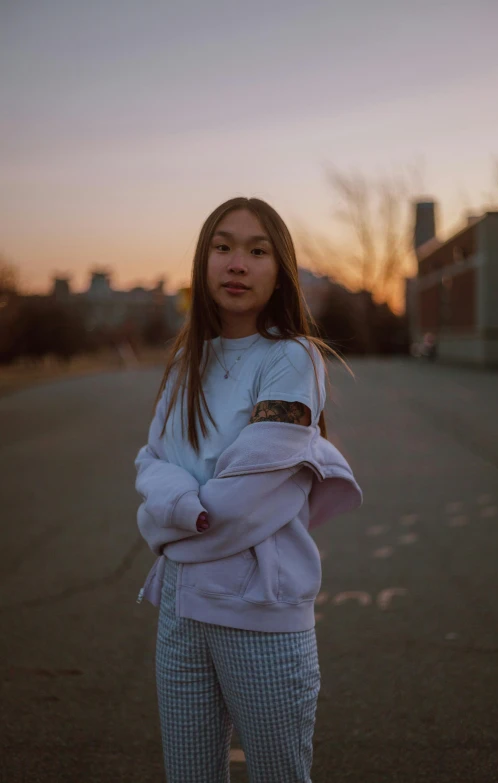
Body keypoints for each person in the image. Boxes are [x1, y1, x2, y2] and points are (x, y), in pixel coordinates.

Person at [134, 197, 363, 783]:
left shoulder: (291, 358)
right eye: (223, 246)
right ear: (203, 262)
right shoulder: (191, 358)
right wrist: (185, 507)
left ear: (278, 270)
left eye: (257, 251)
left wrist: (173, 523)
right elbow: (151, 461)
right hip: (181, 607)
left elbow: (246, 493)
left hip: (258, 609)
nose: (238, 263)